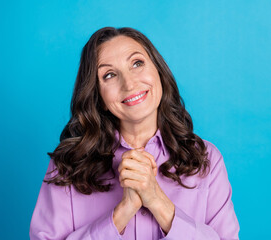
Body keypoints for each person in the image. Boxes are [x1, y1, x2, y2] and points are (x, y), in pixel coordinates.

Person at [30, 26, 240, 240]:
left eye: (137, 63)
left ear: (159, 71)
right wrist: (122, 213)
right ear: (97, 96)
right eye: (109, 75)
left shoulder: (206, 159)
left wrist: (157, 201)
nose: (129, 84)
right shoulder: (67, 165)